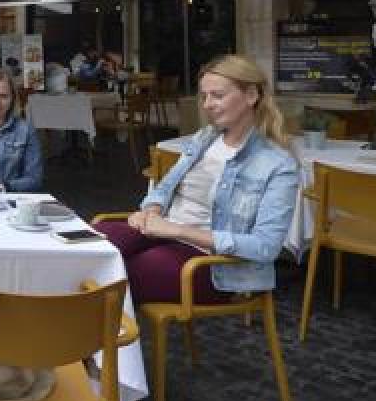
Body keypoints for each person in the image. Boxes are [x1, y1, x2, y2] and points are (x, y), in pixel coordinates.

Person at [94, 55, 299, 305]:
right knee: (92, 243)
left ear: (251, 96)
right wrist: (151, 210)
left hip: (213, 265)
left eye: (218, 95)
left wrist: (178, 230)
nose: (207, 104)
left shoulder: (278, 164)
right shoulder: (205, 138)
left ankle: (86, 340)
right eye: (204, 96)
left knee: (115, 276)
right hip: (162, 234)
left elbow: (265, 247)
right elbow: (165, 187)